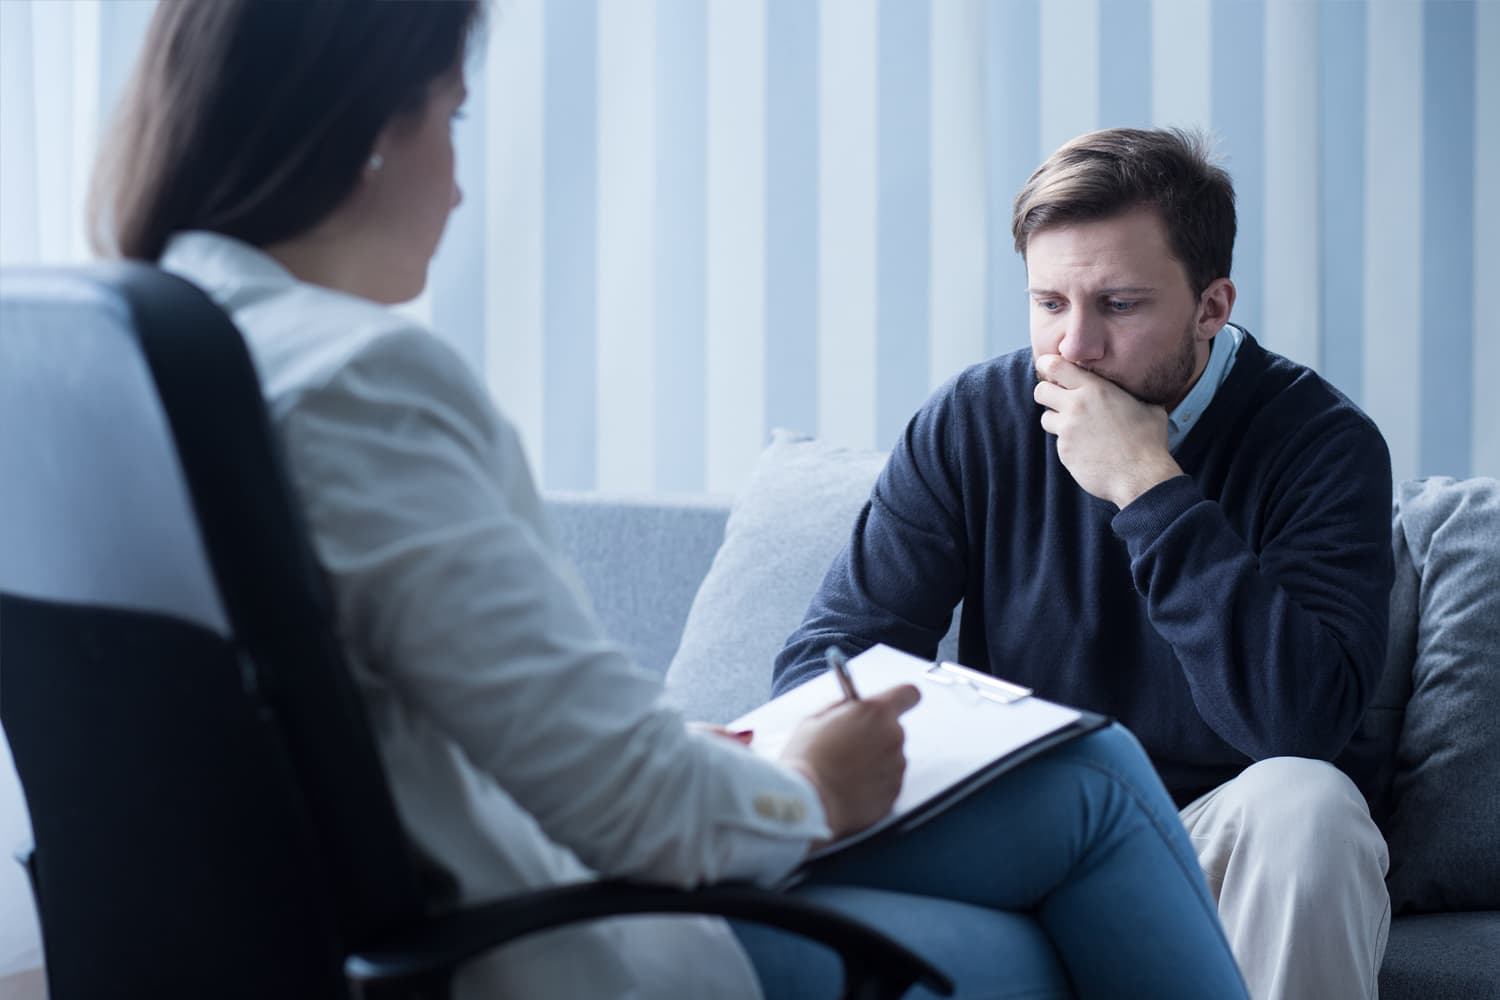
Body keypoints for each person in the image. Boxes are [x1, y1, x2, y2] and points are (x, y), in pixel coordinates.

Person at [90, 4, 1248, 998]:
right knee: (1086, 807)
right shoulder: (360, 383)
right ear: (365, 136)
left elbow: (388, 719)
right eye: (451, 117)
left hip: (309, 932)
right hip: (526, 942)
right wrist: (807, 784)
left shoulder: (126, 354)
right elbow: (641, 807)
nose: (456, 180)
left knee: (1071, 838)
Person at [775, 127, 1394, 1000]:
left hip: (1222, 840)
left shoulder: (1323, 445)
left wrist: (1148, 486)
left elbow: (1298, 725)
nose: (1073, 348)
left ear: (1212, 307)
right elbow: (826, 660)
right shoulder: (976, 421)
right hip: (1044, 832)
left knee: (1308, 807)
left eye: (1119, 305)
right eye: (1050, 304)